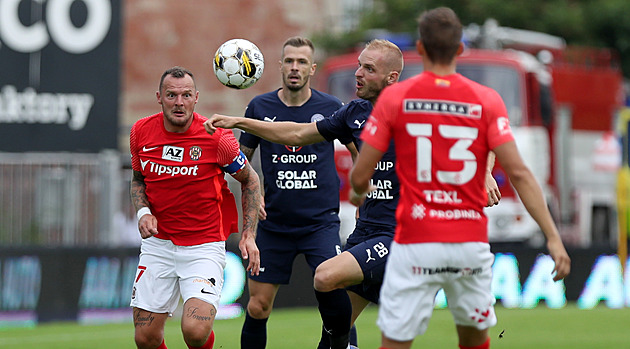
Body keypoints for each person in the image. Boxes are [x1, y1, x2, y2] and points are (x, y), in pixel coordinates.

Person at [204, 39, 501, 348]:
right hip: (366, 230)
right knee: (334, 329)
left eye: (368, 69)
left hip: (401, 234)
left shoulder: (416, 107)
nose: (358, 73)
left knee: (325, 276)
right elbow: (296, 133)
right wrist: (240, 122)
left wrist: (485, 172)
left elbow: (484, 126)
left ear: (391, 77)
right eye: (359, 65)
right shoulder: (355, 112)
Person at [349, 7, 571, 349]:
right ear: (460, 50)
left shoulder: (395, 98)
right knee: (473, 338)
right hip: (467, 242)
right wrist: (553, 237)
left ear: (419, 49)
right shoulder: (486, 100)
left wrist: (358, 190)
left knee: (395, 341)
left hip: (415, 242)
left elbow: (362, 172)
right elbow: (520, 174)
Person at [219, 37, 352, 349]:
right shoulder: (260, 107)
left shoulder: (330, 107)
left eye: (302, 62)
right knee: (257, 306)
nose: (295, 67)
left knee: (335, 302)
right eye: (289, 61)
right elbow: (242, 163)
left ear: (312, 68)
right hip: (274, 225)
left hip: (320, 223)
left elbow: (357, 148)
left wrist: (362, 193)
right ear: (279, 66)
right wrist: (255, 193)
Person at [129, 66, 261, 349]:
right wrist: (143, 212)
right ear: (159, 97)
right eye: (172, 95)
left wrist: (249, 235)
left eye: (186, 95)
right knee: (145, 337)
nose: (179, 102)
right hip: (158, 245)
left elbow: (250, 180)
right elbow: (138, 180)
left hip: (204, 245)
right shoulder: (140, 131)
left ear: (196, 98)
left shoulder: (217, 138)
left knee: (195, 330)